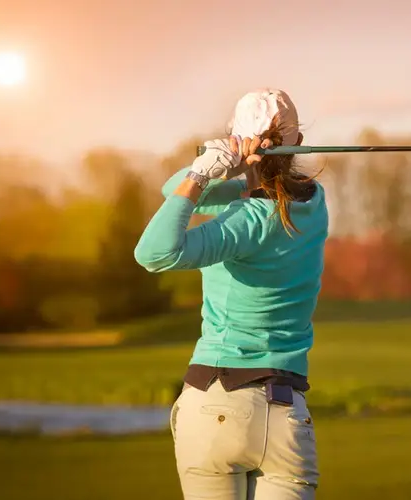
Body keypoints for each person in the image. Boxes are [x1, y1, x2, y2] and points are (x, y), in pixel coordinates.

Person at [134, 88, 327, 500]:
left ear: (237, 138)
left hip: (215, 401)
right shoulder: (314, 202)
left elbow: (154, 251)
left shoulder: (244, 221)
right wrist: (238, 170)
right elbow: (175, 189)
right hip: (287, 415)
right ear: (297, 142)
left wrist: (204, 171)